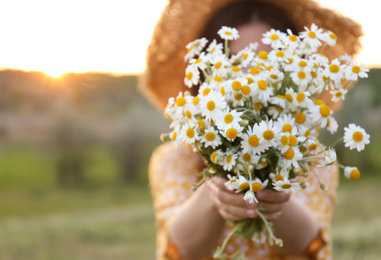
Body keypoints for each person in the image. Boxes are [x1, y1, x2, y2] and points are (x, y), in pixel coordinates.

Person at [139, 0, 363, 259]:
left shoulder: (312, 159)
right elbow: (179, 251)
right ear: (209, 73)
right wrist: (216, 191)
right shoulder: (176, 158)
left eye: (265, 60)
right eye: (235, 60)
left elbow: (310, 247)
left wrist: (274, 195)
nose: (249, 74)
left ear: (292, 69)